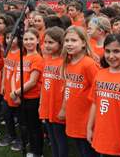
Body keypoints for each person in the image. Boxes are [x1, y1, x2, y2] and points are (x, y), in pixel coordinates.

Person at [60, 26, 99, 157]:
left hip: (87, 119)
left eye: (73, 40)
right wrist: (64, 109)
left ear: (83, 43)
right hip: (74, 117)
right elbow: (68, 90)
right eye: (67, 40)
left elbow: (98, 92)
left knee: (88, 151)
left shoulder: (88, 64)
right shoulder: (69, 62)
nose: (69, 44)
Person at [10, 28, 44, 157]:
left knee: (34, 127)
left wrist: (16, 93)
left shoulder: (37, 59)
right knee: (25, 125)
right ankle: (30, 147)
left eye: (31, 39)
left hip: (32, 98)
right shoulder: (22, 57)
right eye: (26, 39)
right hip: (20, 97)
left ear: (37, 41)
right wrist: (14, 93)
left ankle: (37, 152)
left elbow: (32, 81)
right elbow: (14, 75)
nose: (28, 42)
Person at [39, 27, 68, 157]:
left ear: (60, 43)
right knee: (51, 137)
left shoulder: (65, 62)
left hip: (58, 107)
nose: (47, 45)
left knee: (59, 138)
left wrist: (64, 109)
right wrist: (41, 104)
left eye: (51, 42)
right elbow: (44, 85)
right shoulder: (47, 59)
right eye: (45, 42)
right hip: (47, 105)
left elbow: (68, 88)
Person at [0, 26, 21, 150]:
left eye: (13, 37)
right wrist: (2, 84)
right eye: (7, 37)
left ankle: (21, 139)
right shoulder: (6, 52)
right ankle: (11, 135)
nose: (9, 40)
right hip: (7, 88)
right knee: (7, 114)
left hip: (16, 90)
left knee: (20, 117)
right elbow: (5, 69)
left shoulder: (21, 53)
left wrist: (16, 92)